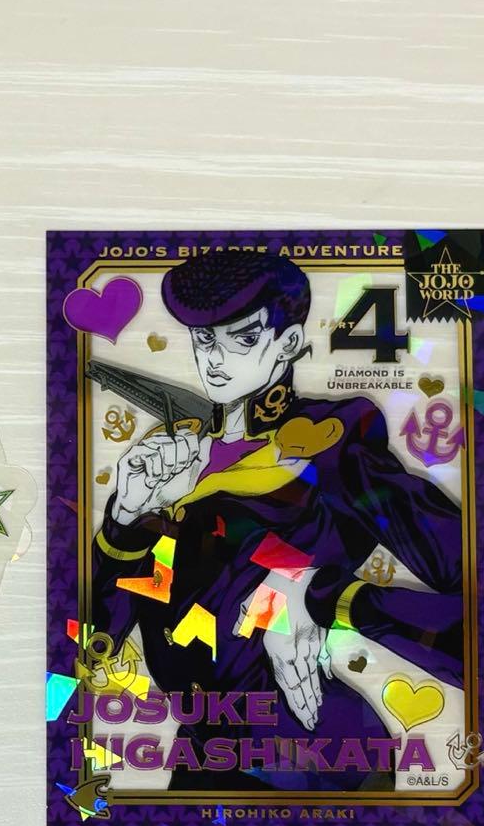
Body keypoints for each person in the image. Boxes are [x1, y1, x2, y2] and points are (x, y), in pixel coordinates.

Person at [92, 253, 463, 790]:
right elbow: (92, 643)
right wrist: (125, 518)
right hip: (202, 756)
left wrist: (320, 593)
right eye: (204, 340)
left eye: (242, 339)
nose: (215, 359)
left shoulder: (333, 445)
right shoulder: (169, 458)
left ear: (288, 343)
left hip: (314, 756)